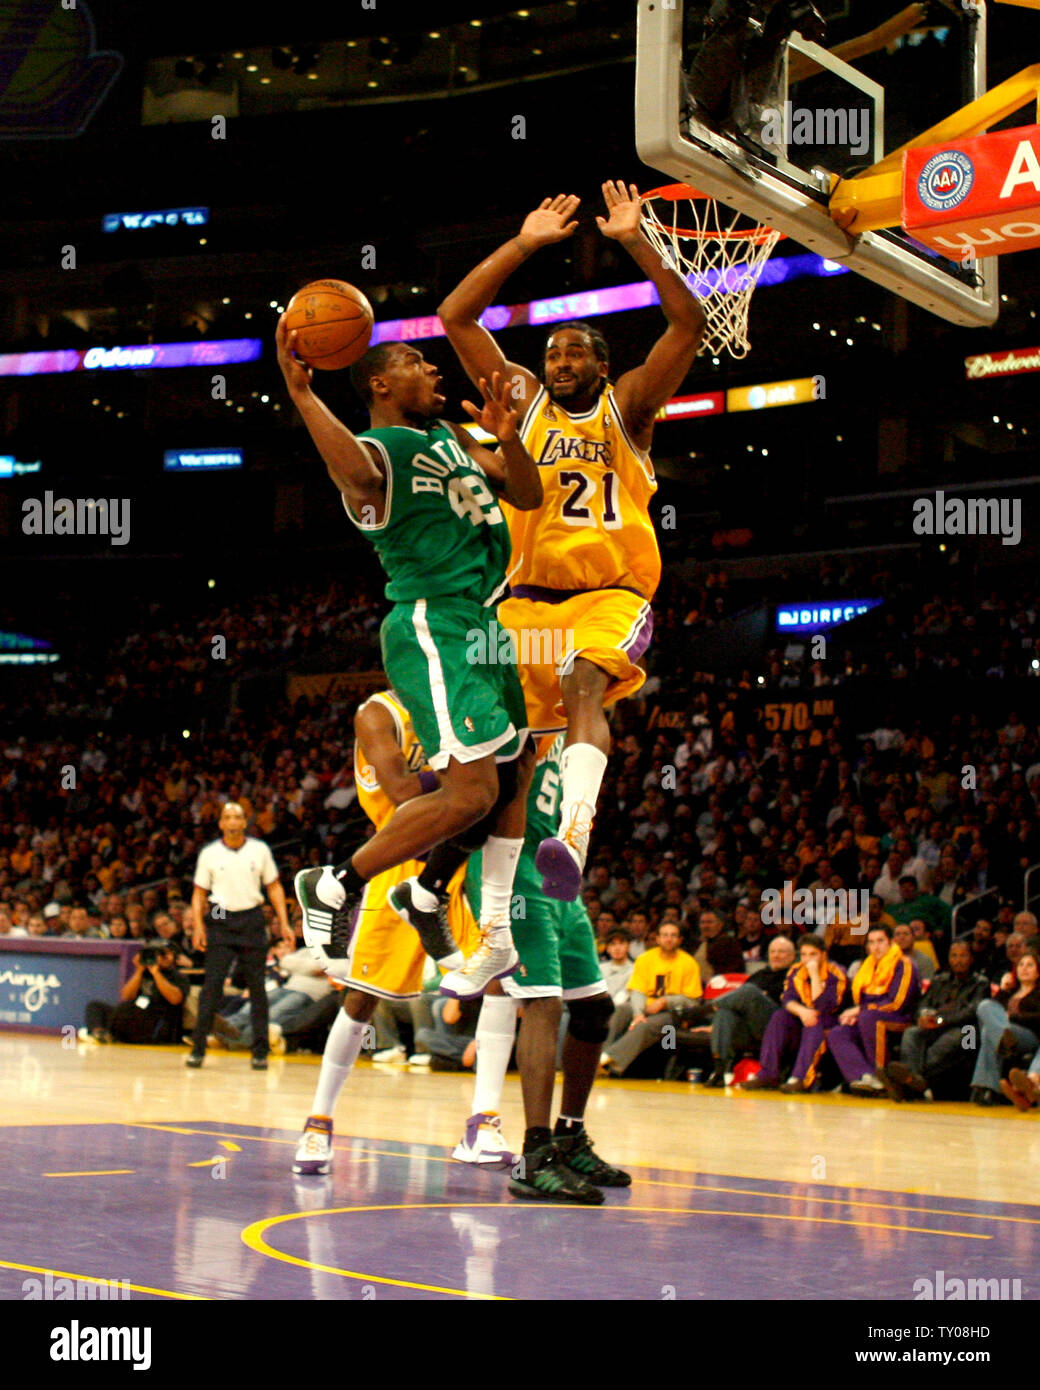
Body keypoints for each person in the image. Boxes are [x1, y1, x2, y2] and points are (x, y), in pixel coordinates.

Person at [438, 182, 705, 900]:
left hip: (610, 594)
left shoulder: (633, 408)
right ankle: (490, 924)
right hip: (524, 604)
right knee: (509, 763)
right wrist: (523, 244)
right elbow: (455, 315)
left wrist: (634, 240)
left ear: (601, 366)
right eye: (552, 352)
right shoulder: (519, 402)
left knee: (585, 683)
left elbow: (688, 326)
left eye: (576, 353)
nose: (560, 362)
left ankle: (577, 833)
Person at [277, 320, 542, 997]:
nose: (435, 371)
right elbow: (355, 472)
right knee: (474, 791)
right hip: (435, 624)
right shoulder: (373, 450)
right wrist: (303, 394)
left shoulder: (450, 438)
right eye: (419, 362)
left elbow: (527, 495)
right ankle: (336, 882)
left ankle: (429, 895)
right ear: (380, 383)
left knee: (517, 772)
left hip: (486, 622)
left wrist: (508, 437)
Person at [293, 691, 479, 1175]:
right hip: (399, 862)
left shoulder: (460, 699)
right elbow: (403, 794)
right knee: (360, 1001)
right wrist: (477, 776)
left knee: (503, 980)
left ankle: (485, 1121)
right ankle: (318, 1121)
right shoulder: (380, 713)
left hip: (463, 862)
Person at [456, 735, 626, 1204]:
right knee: (541, 1003)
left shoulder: (567, 718)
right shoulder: (518, 708)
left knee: (594, 1009)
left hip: (556, 873)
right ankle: (535, 1157)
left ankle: (569, 1135)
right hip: (510, 872)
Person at [186, 802, 293, 1070]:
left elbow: (275, 886)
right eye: (227, 818)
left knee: (257, 988)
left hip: (252, 915)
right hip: (221, 914)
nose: (232, 822)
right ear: (221, 823)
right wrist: (199, 925)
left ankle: (260, 1052)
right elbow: (200, 893)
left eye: (237, 817)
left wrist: (284, 922)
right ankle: (198, 1048)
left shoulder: (260, 850)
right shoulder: (210, 853)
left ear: (245, 822)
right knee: (212, 985)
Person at [878, 939, 990, 1101]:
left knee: (956, 1037)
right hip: (937, 1026)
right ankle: (914, 1082)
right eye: (954, 956)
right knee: (912, 1032)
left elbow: (971, 1012)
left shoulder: (981, 983)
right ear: (949, 959)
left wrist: (941, 1019)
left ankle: (909, 1080)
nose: (958, 960)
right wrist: (923, 1016)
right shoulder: (939, 980)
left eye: (963, 955)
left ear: (971, 958)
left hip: (970, 1032)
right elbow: (922, 1004)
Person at [741, 935, 847, 1092]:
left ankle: (801, 1078)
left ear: (823, 955)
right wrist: (802, 1011)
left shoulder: (836, 975)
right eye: (804, 955)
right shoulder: (795, 971)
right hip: (803, 1018)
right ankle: (767, 1074)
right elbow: (787, 999)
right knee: (780, 1016)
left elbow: (823, 1006)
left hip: (827, 1020)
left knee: (813, 1021)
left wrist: (814, 975)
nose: (807, 960)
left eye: (813, 954)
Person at [825, 923, 920, 1095]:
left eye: (880, 941)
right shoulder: (866, 966)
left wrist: (861, 1011)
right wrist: (855, 1014)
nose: (875, 946)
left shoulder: (904, 965)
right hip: (868, 1015)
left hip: (900, 1017)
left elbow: (897, 1003)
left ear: (891, 942)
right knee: (838, 1033)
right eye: (871, 942)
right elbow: (860, 1001)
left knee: (869, 1018)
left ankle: (881, 1074)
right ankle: (864, 1077)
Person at [600, 921, 702, 1078]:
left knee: (646, 1026)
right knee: (621, 1010)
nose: (669, 939)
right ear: (658, 939)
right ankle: (598, 1058)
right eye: (665, 935)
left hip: (674, 1013)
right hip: (646, 1006)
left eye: (673, 935)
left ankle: (609, 1060)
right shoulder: (645, 959)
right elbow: (638, 990)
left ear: (680, 940)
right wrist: (638, 1013)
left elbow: (693, 1001)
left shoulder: (689, 963)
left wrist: (666, 1001)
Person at [703, 935, 796, 1086]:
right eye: (773, 951)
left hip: (776, 1028)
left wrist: (758, 998)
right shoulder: (758, 975)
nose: (776, 955)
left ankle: (703, 1009)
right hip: (749, 1028)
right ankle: (720, 1069)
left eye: (781, 952)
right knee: (724, 1013)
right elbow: (736, 1002)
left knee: (750, 992)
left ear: (792, 956)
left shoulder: (794, 976)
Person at [969, 948, 1040, 1106]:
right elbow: (992, 1012)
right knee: (985, 1006)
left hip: (1028, 1036)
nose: (1024, 968)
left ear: (1038, 972)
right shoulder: (1009, 992)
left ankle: (986, 1088)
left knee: (990, 1029)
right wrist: (1003, 989)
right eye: (1021, 965)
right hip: (1005, 1032)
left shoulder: (1038, 993)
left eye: (1030, 965)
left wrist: (1012, 1017)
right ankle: (1004, 1040)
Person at [82, 942, 186, 1045]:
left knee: (130, 1011)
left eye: (166, 954)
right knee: (95, 1006)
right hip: (133, 1015)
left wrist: (156, 973)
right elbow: (126, 996)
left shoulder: (178, 976)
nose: (163, 957)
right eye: (160, 954)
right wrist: (139, 971)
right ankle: (100, 1033)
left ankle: (108, 1034)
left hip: (156, 1020)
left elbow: (175, 999)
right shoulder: (144, 973)